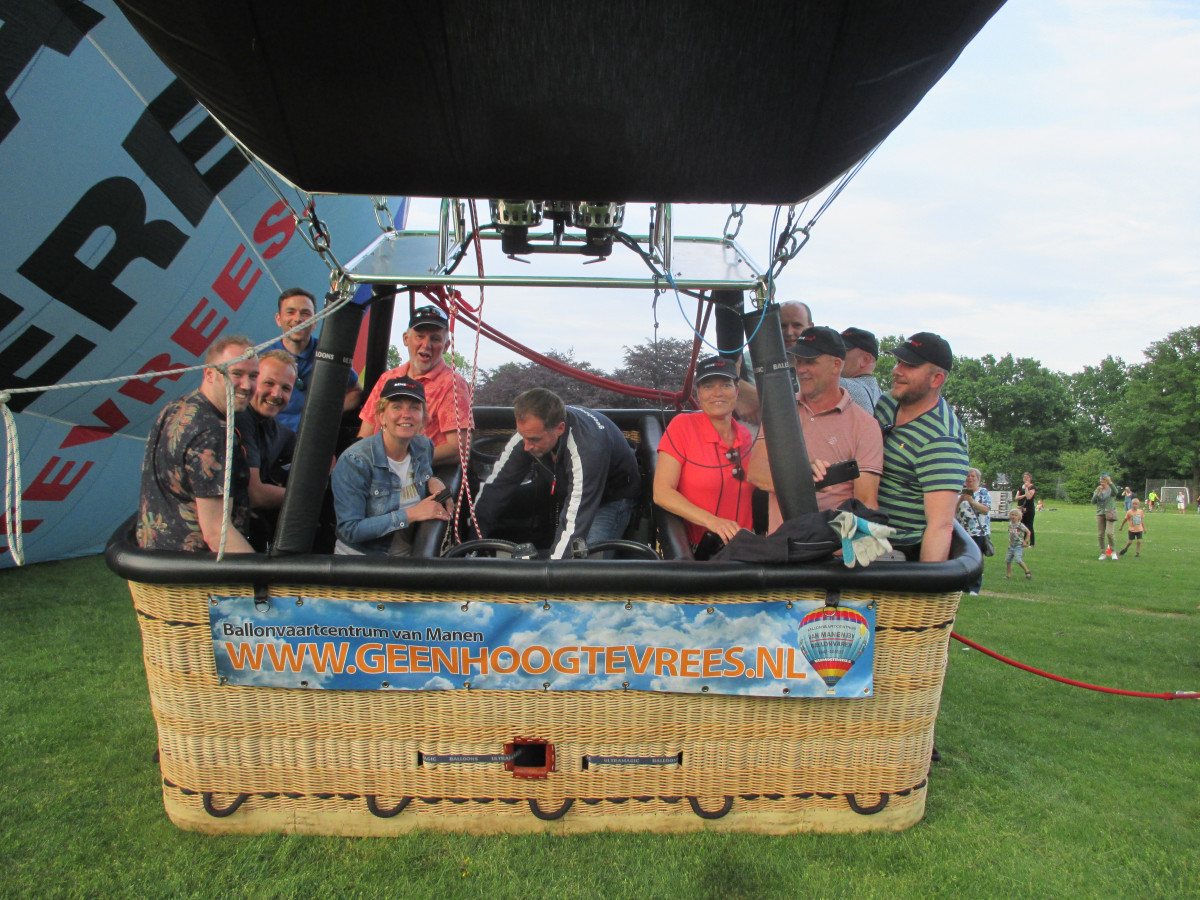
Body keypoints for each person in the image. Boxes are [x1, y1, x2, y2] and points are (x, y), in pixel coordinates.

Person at [474, 388, 641, 558]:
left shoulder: (587, 450)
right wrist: (471, 543)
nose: (526, 446)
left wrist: (553, 570)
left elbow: (575, 524)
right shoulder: (530, 435)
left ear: (560, 428)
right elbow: (495, 487)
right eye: (523, 436)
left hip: (612, 498)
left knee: (588, 561)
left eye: (534, 440)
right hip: (575, 489)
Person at [747, 326, 882, 532]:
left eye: (810, 362)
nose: (801, 369)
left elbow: (866, 502)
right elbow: (756, 472)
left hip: (834, 546)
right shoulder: (779, 411)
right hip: (782, 544)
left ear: (836, 365)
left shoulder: (865, 425)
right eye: (799, 361)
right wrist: (802, 477)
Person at [137, 336, 258, 553]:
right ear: (209, 374)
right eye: (236, 374)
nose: (247, 385)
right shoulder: (214, 433)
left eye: (253, 376)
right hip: (193, 565)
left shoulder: (176, 407)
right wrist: (259, 573)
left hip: (155, 551)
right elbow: (217, 534)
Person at [874, 332, 969, 562]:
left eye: (910, 365)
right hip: (861, 532)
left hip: (898, 552)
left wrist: (926, 579)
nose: (897, 370)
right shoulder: (887, 403)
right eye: (898, 362)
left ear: (936, 379)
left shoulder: (942, 439)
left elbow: (941, 526)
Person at [330, 377, 452, 556]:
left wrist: (434, 481)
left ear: (422, 418)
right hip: (362, 560)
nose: (406, 414)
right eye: (397, 407)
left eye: (414, 407)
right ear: (381, 416)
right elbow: (350, 529)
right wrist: (411, 514)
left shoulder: (423, 446)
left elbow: (421, 477)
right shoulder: (355, 460)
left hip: (408, 554)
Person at [654, 356, 754, 558]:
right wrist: (713, 521)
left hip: (745, 546)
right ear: (698, 393)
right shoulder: (683, 426)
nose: (718, 393)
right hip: (700, 549)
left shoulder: (746, 435)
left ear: (737, 391)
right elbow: (662, 493)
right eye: (708, 386)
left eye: (726, 385)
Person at [358, 304, 474, 465]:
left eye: (435, 339)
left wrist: (402, 462)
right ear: (406, 339)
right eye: (420, 336)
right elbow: (365, 434)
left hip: (418, 472)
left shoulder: (453, 385)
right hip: (374, 468)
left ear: (446, 346)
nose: (426, 345)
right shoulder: (387, 378)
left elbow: (459, 449)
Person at [266, 287, 362, 432]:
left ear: (315, 321)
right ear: (278, 319)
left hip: (314, 438)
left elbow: (356, 392)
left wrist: (327, 412)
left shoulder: (330, 356)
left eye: (305, 313)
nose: (298, 319)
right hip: (272, 437)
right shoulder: (263, 358)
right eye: (290, 312)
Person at [234, 349, 298, 550]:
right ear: (253, 381)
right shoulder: (241, 418)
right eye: (269, 383)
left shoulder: (279, 431)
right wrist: (306, 496)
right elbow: (256, 495)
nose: (276, 394)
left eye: (285, 388)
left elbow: (319, 463)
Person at [736, 300, 813, 423]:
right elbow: (720, 379)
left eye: (797, 325)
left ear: (810, 327)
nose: (789, 332)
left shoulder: (823, 362)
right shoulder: (749, 360)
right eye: (782, 325)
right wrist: (739, 387)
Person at [955, 467, 992, 594]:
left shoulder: (983, 492)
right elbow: (952, 513)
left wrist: (971, 501)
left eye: (973, 476)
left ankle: (974, 588)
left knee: (976, 560)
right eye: (968, 476)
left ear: (978, 479)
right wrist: (960, 500)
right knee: (962, 559)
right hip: (962, 533)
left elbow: (986, 509)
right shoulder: (959, 493)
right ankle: (963, 586)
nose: (970, 478)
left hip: (978, 532)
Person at [838, 327, 883, 413]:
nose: (836, 355)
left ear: (866, 359)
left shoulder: (844, 385)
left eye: (843, 351)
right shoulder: (881, 395)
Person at [1092, 473, 1120, 559]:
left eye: (1104, 479)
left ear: (1107, 480)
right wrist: (1097, 493)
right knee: (1100, 534)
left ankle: (1113, 552)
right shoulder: (1098, 489)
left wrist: (1110, 482)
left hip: (1110, 513)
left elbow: (1116, 492)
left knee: (1109, 533)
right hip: (1100, 513)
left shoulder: (1111, 489)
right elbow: (1093, 501)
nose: (1102, 481)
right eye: (1101, 479)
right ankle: (1103, 553)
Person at [1003, 507, 1032, 580]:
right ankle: (1008, 575)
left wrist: (1025, 542)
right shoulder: (1010, 524)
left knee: (1018, 560)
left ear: (1019, 517)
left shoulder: (1020, 525)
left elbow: (1028, 532)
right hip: (1011, 546)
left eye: (1015, 515)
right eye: (1012, 515)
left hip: (1018, 546)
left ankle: (1027, 571)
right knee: (1008, 560)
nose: (1013, 516)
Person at [1013, 472, 1037, 547]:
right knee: (1022, 525)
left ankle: (1032, 543)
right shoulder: (1020, 487)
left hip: (1029, 508)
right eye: (1024, 477)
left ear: (1030, 478)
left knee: (1029, 525)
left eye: (1027, 477)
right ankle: (1023, 542)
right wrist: (1024, 495)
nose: (1025, 478)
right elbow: (1016, 497)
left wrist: (1026, 489)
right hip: (1021, 509)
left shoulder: (1032, 487)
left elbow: (1029, 497)